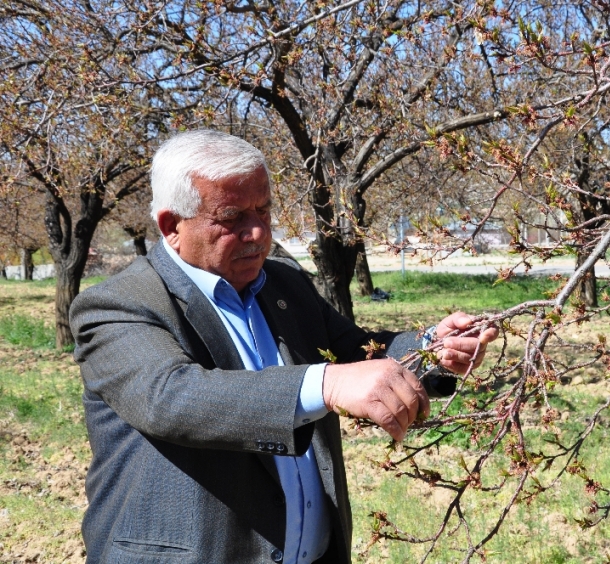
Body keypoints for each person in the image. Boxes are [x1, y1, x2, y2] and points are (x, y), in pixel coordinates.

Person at [70, 129, 497, 564]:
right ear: (171, 226)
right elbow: (172, 397)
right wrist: (326, 383)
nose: (257, 232)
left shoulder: (286, 284)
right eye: (231, 216)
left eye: (264, 210)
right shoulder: (117, 305)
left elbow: (356, 350)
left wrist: (430, 349)